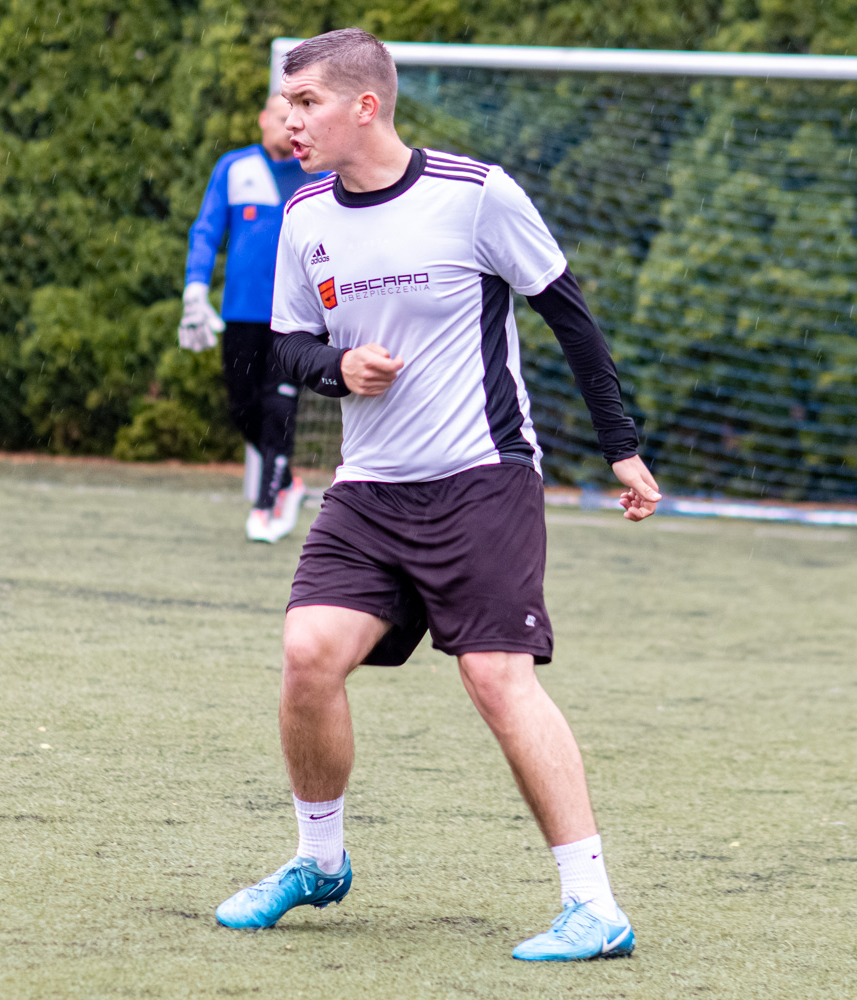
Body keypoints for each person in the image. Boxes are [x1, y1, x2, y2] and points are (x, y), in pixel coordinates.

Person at [212, 29, 664, 963]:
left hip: (480, 479)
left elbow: (569, 314)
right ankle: (319, 861)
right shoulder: (304, 215)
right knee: (307, 653)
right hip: (369, 491)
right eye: (287, 105)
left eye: (306, 104)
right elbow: (286, 345)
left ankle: (594, 905)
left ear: (365, 106)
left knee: (496, 677)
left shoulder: (476, 193)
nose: (290, 122)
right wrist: (338, 367)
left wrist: (620, 447)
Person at [181, 93, 328, 542]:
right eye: (281, 116)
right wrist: (195, 288)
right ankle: (288, 483)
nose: (289, 124)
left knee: (279, 406)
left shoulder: (320, 174)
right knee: (243, 406)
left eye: (297, 116)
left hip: (296, 319)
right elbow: (206, 231)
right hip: (241, 313)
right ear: (263, 119)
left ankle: (266, 506)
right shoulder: (234, 167)